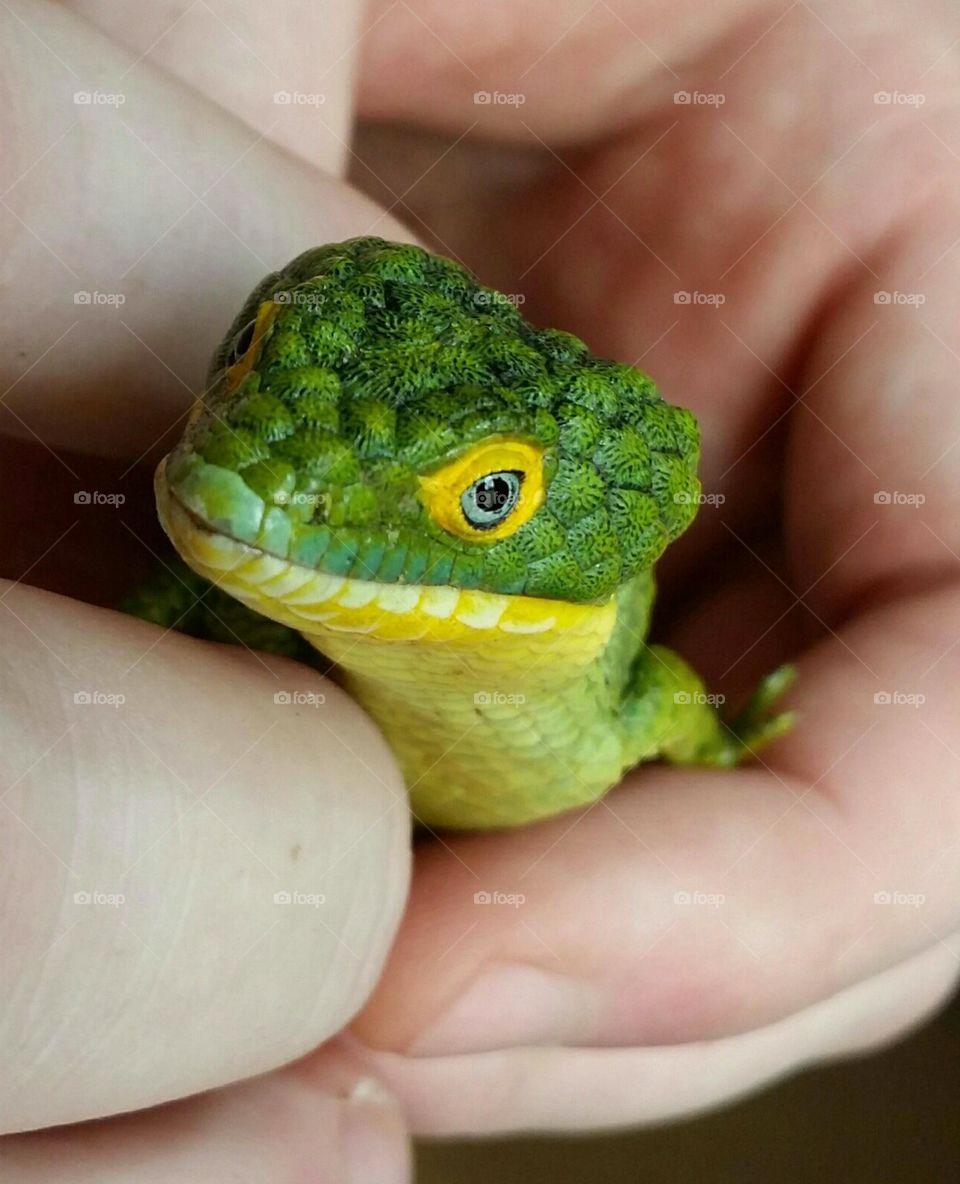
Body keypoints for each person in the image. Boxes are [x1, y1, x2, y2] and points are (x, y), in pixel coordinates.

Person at [1, 1, 957, 1179]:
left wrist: (728, 739)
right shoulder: (258, 579)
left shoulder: (622, 696)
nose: (242, 481)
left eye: (487, 498)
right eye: (252, 354)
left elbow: (667, 697)